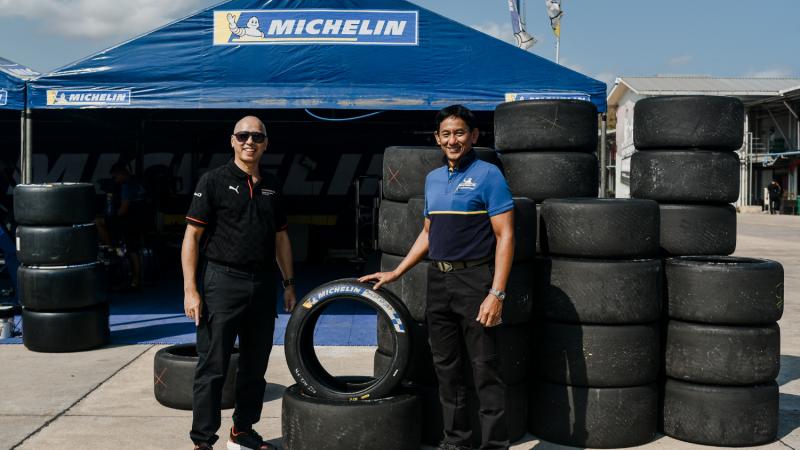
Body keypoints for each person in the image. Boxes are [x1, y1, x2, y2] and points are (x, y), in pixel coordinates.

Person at [361, 105, 515, 450]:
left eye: (459, 133)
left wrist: (497, 293)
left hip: (475, 281)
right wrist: (397, 271)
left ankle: (495, 445)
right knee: (446, 368)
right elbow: (428, 233)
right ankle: (456, 441)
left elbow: (505, 235)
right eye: (446, 134)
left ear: (474, 136)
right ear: (437, 138)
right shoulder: (433, 178)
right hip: (438, 282)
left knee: (485, 369)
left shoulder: (488, 175)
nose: (452, 140)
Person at [182, 116, 296, 450]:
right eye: (243, 136)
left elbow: (281, 238)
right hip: (222, 282)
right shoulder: (213, 181)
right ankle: (203, 441)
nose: (250, 142)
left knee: (254, 366)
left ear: (266, 144)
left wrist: (289, 283)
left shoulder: (272, 185)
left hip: (262, 284)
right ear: (232, 141)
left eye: (257, 137)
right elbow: (192, 237)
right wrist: (191, 290)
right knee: (213, 366)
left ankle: (242, 430)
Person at [110, 162, 147, 290]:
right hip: (143, 222)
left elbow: (123, 209)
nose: (115, 180)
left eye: (115, 177)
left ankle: (135, 281)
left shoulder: (126, 186)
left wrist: (112, 216)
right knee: (134, 249)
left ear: (121, 174)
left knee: (132, 250)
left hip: (132, 223)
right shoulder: (138, 183)